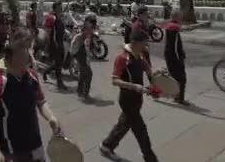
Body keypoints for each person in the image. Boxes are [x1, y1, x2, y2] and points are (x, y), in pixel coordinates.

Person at [0, 29, 61, 162]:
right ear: (12, 53)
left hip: (36, 147)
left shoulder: (32, 76)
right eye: (25, 48)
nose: (29, 53)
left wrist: (51, 117)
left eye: (29, 48)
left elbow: (41, 102)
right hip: (11, 152)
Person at [100, 28, 159, 162]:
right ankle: (151, 159)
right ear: (135, 42)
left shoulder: (141, 56)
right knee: (141, 132)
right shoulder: (122, 59)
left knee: (124, 124)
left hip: (137, 99)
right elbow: (114, 80)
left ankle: (107, 145)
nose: (146, 45)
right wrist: (134, 86)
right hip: (127, 100)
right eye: (144, 43)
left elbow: (150, 72)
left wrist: (159, 76)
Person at [163, 11, 188, 105]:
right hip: (174, 57)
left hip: (170, 56)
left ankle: (176, 95)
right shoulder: (174, 29)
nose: (182, 19)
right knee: (181, 78)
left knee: (175, 77)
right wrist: (180, 59)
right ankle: (179, 98)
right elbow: (175, 47)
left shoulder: (170, 26)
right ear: (176, 17)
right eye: (181, 17)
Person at [43, 2, 67, 90]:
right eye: (58, 7)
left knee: (59, 62)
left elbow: (62, 29)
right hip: (55, 44)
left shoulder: (60, 17)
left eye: (61, 7)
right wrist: (51, 44)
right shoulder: (51, 18)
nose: (60, 9)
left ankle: (46, 71)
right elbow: (48, 32)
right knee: (58, 64)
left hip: (61, 43)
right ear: (54, 8)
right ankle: (60, 83)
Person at [71, 14, 96, 100]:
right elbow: (83, 42)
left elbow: (90, 43)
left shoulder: (90, 30)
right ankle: (85, 93)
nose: (91, 24)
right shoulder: (83, 30)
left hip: (84, 53)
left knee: (83, 73)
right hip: (82, 53)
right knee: (88, 73)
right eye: (90, 22)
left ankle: (80, 91)